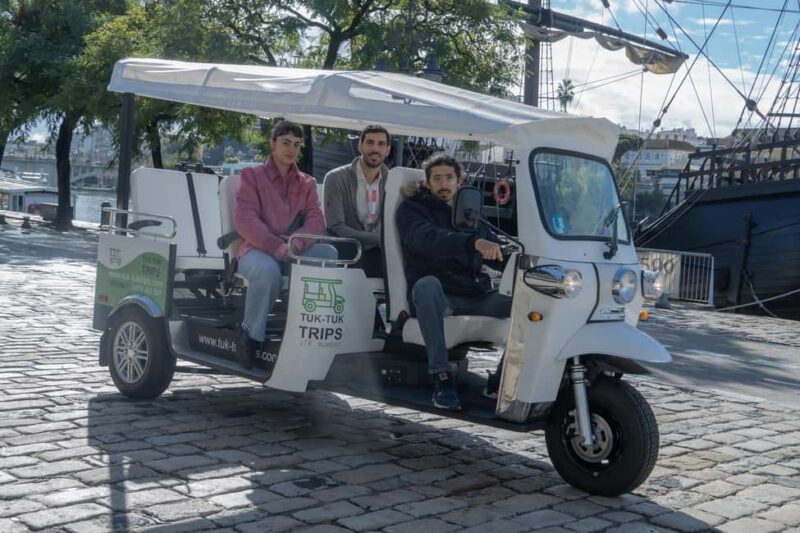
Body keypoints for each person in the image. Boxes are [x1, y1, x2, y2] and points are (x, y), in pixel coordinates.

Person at [396, 153, 510, 410]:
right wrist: (473, 243)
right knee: (426, 285)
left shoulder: (469, 214)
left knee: (528, 301)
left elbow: (495, 249)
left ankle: (502, 378)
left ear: (460, 181)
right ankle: (441, 376)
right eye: (437, 178)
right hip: (439, 296)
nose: (443, 184)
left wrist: (516, 257)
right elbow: (427, 239)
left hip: (474, 294)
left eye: (449, 178)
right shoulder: (411, 210)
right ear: (427, 182)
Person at [234, 120, 337, 368]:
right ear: (273, 144)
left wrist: (295, 244)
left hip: (293, 249)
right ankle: (251, 336)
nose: (291, 149)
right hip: (257, 248)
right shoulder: (252, 176)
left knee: (329, 254)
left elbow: (316, 220)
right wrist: (275, 246)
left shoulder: (307, 183)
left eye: (296, 144)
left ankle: (307, 325)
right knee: (267, 272)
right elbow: (245, 220)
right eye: (285, 143)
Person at [323, 125, 391, 277]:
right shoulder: (336, 178)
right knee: (351, 252)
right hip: (348, 247)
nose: (375, 149)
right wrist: (379, 240)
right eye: (370, 142)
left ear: (388, 150)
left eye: (381, 144)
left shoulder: (393, 181)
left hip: (380, 251)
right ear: (360, 146)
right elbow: (335, 225)